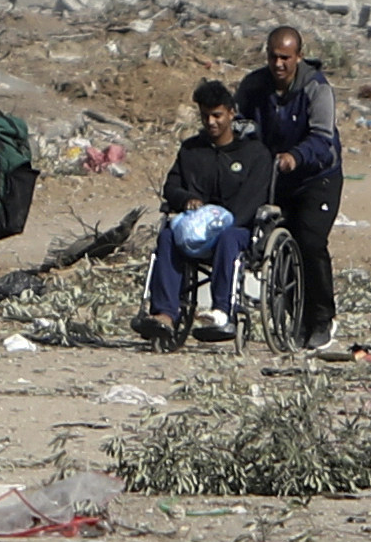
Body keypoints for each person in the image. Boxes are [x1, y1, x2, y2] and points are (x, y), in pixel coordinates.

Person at [138, 79, 274, 347]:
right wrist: (187, 199)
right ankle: (164, 314)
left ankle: (222, 312)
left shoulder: (254, 153)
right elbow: (172, 186)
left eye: (217, 115)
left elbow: (253, 200)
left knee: (229, 238)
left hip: (236, 229)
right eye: (205, 116)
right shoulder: (191, 151)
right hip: (194, 230)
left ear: (231, 113)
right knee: (167, 237)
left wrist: (222, 221)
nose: (211, 122)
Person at [235, 26, 344, 350]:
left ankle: (322, 319)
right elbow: (241, 122)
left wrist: (296, 157)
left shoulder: (316, 88)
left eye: (285, 57)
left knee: (310, 241)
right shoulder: (254, 86)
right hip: (272, 175)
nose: (278, 64)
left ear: (298, 56)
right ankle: (294, 319)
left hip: (316, 177)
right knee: (268, 240)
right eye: (273, 56)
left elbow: (323, 139)